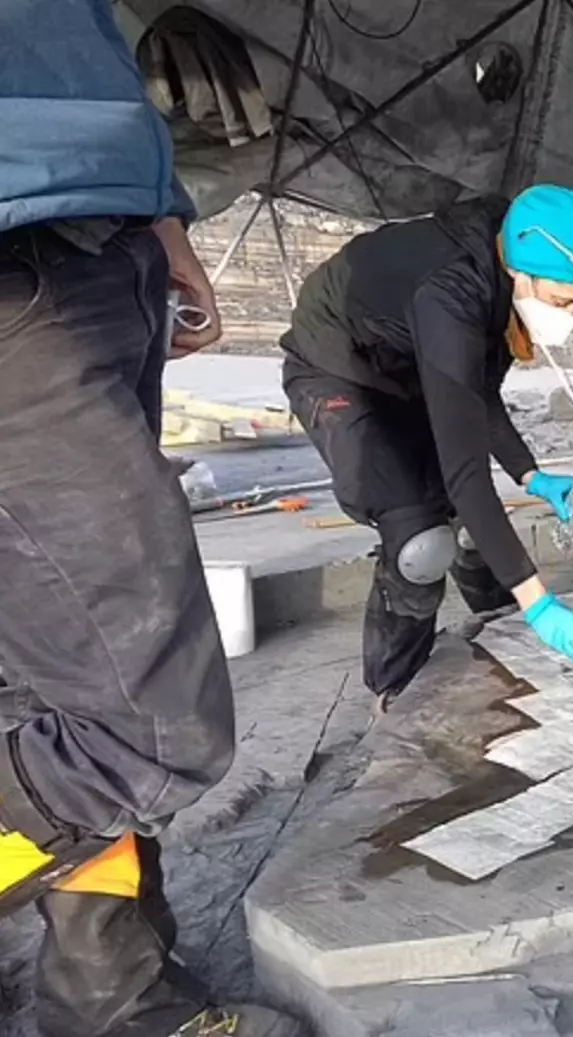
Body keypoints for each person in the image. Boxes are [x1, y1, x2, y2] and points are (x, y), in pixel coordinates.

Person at [0, 2, 305, 1035]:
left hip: (99, 226)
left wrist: (157, 213)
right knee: (147, 730)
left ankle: (110, 988)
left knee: (47, 678)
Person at [279, 186, 573, 708]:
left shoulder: (505, 275)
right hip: (337, 369)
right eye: (561, 302)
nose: (569, 317)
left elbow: (474, 394)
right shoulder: (451, 293)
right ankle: (395, 694)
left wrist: (530, 475)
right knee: (421, 542)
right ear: (522, 268)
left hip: (406, 367)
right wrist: (539, 600)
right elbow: (467, 470)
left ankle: (510, 651)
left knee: (474, 532)